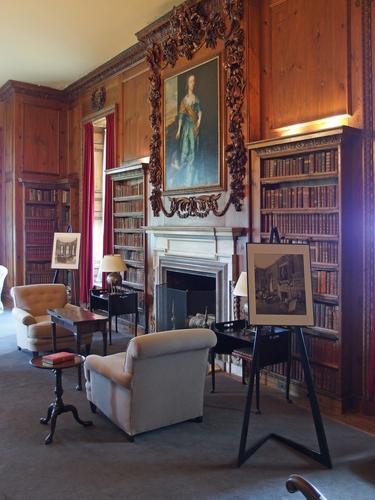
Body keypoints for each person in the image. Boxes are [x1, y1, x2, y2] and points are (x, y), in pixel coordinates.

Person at [176, 74, 202, 186]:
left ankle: (191, 179)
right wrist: (178, 130)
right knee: (185, 150)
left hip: (193, 127)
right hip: (186, 127)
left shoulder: (196, 99)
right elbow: (181, 116)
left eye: (194, 81)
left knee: (193, 150)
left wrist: (198, 123)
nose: (192, 83)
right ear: (187, 83)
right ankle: (184, 179)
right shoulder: (184, 100)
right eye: (191, 81)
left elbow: (200, 112)